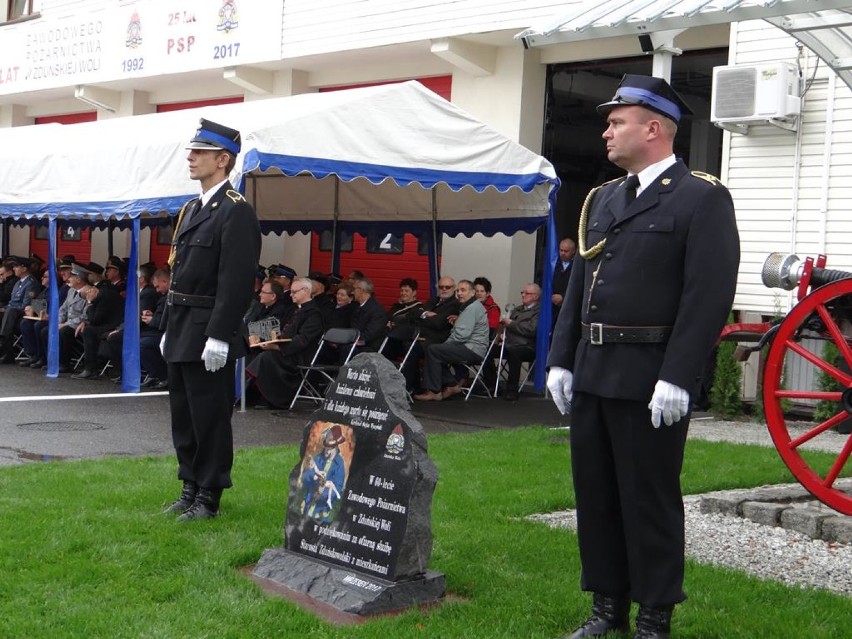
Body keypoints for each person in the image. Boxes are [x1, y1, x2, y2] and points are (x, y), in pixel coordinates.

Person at [546, 75, 740, 639]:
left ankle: (654, 615)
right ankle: (607, 609)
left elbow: (707, 295)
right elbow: (581, 281)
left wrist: (679, 374)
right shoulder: (604, 198)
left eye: (617, 121)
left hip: (650, 375)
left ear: (653, 128)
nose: (606, 130)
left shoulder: (700, 197)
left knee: (648, 498)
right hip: (594, 368)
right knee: (597, 496)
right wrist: (561, 358)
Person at [161, 118, 261, 522]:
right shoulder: (191, 209)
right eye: (192, 151)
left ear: (223, 160)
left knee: (210, 415)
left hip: (208, 330)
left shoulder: (235, 212)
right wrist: (168, 324)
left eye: (199, 152)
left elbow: (235, 281)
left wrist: (219, 334)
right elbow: (179, 273)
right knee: (183, 413)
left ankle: (209, 496)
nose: (190, 157)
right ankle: (189, 486)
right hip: (183, 324)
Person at [246, 277, 324, 409]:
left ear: (305, 291)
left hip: (299, 356)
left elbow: (302, 340)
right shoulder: (298, 309)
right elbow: (285, 333)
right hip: (287, 351)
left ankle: (268, 398)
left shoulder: (314, 314)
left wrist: (277, 347)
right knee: (254, 352)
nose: (291, 294)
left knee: (266, 358)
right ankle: (250, 395)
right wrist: (269, 341)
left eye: (294, 292)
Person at [414, 279, 489, 401]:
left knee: (433, 349)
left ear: (472, 292)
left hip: (472, 349)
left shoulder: (471, 308)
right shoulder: (469, 307)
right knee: (434, 350)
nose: (459, 293)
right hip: (471, 347)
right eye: (458, 290)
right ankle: (451, 384)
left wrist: (445, 344)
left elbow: (461, 335)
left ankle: (435, 391)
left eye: (463, 290)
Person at [499, 283, 541, 401]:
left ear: (536, 296)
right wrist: (502, 332)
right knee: (488, 351)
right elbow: (507, 325)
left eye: (527, 293)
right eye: (522, 292)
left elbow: (531, 329)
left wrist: (511, 324)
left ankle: (512, 390)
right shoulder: (517, 309)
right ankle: (491, 384)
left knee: (514, 353)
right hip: (509, 343)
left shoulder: (540, 312)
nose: (523, 295)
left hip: (527, 346)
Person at [300, 425, 347, 523]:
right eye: (326, 447)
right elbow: (305, 478)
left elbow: (337, 488)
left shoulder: (339, 464)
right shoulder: (318, 459)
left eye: (330, 448)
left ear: (336, 447)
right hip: (307, 508)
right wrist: (313, 476)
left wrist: (322, 493)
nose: (327, 450)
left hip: (321, 513)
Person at [0, 256, 40, 364]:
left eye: (16, 266)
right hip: (12, 313)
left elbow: (26, 305)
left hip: (23, 314)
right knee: (6, 311)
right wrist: (3, 308)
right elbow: (12, 302)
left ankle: (3, 344)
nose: (14, 269)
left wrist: (8, 309)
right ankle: (6, 353)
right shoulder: (18, 283)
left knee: (10, 311)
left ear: (24, 268)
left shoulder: (31, 283)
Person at [551, 238, 576, 330]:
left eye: (566, 251)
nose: (563, 253)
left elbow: (578, 287)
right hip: (552, 305)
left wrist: (563, 297)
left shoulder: (577, 265)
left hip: (569, 306)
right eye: (561, 250)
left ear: (574, 251)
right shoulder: (553, 263)